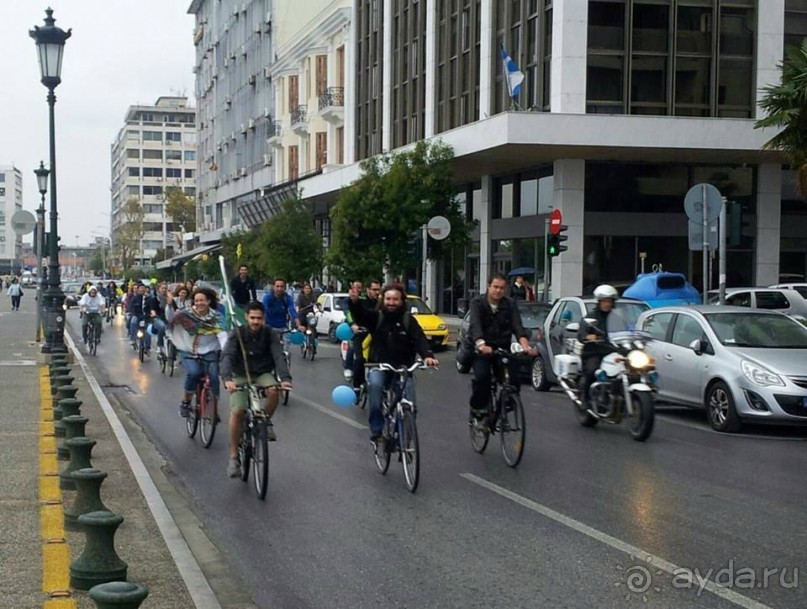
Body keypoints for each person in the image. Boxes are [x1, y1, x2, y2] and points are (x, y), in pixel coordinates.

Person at [347, 282, 438, 451]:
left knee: (410, 403)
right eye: (388, 299)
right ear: (383, 300)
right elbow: (361, 316)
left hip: (403, 368)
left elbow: (420, 340)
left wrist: (428, 356)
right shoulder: (377, 317)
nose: (391, 302)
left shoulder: (408, 320)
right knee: (375, 386)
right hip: (379, 365)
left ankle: (401, 438)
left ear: (402, 301)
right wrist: (354, 302)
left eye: (395, 299)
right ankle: (376, 431)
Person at [221, 301, 292, 477]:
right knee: (238, 411)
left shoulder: (270, 334)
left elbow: (278, 355)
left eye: (259, 318)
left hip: (262, 373)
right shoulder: (237, 334)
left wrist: (284, 379)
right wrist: (227, 379)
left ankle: (264, 421)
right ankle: (233, 457)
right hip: (240, 374)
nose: (255, 322)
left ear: (264, 319)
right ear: (246, 317)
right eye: (252, 318)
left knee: (274, 391)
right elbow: (227, 355)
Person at [467, 272, 536, 424]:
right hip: (482, 349)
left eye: (502, 288)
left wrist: (526, 347)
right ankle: (478, 409)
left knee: (514, 379)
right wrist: (481, 344)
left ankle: (506, 405)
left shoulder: (510, 304)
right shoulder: (477, 303)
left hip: (502, 349)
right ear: (488, 287)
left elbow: (518, 327)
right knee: (482, 378)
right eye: (495, 287)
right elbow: (475, 325)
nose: (498, 291)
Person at [167, 286, 228, 418]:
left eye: (202, 300)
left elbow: (222, 335)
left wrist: (225, 351)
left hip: (210, 351)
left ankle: (213, 407)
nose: (199, 303)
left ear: (208, 301)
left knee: (213, 376)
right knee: (194, 372)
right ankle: (186, 403)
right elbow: (172, 326)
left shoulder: (217, 317)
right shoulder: (185, 314)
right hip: (188, 351)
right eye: (196, 301)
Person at [577, 284, 618, 410]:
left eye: (609, 301)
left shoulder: (617, 317)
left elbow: (628, 329)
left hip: (612, 351)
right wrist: (588, 337)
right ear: (599, 302)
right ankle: (585, 398)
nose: (607, 304)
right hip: (594, 352)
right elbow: (582, 334)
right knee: (591, 370)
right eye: (605, 301)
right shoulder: (591, 317)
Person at [345, 280, 381, 391]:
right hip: (362, 334)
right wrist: (353, 325)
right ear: (368, 290)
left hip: (377, 336)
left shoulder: (382, 303)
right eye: (374, 290)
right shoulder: (361, 301)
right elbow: (353, 312)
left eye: (378, 289)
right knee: (359, 359)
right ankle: (356, 387)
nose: (377, 292)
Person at [127, 283, 152, 354]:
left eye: (143, 288)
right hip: (137, 315)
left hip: (146, 317)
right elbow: (131, 307)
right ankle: (133, 339)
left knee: (148, 330)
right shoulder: (135, 298)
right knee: (133, 322)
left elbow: (152, 307)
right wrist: (132, 311)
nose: (142, 290)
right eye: (140, 288)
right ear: (137, 290)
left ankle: (147, 347)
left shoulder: (149, 298)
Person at [147, 282, 170, 355]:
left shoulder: (170, 299)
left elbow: (175, 308)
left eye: (165, 288)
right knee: (162, 326)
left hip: (168, 318)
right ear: (159, 289)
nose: (164, 290)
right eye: (162, 288)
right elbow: (152, 309)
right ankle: (160, 346)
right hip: (158, 318)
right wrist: (154, 315)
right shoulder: (154, 299)